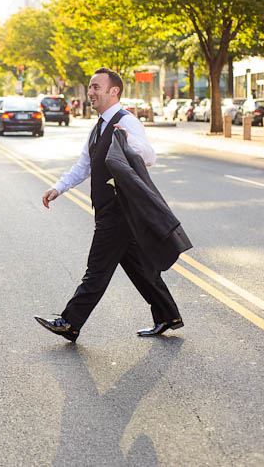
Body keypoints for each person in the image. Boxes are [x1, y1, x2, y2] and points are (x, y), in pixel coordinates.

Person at [34, 68, 183, 342]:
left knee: (97, 268)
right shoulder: (97, 128)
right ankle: (167, 315)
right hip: (107, 209)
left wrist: (128, 143)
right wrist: (58, 188)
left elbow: (150, 156)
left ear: (113, 91)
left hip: (119, 211)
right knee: (140, 268)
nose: (90, 93)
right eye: (90, 88)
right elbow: (84, 166)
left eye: (95, 88)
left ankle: (70, 322)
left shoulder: (125, 121)